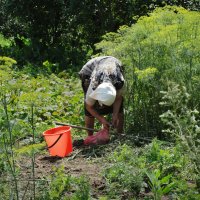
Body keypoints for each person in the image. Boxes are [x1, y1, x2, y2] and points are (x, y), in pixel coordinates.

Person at [79, 56, 125, 136]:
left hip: (112, 63)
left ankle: (119, 136)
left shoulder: (119, 82)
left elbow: (118, 99)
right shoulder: (94, 85)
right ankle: (90, 137)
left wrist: (115, 115)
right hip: (89, 70)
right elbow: (88, 106)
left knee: (119, 111)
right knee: (91, 110)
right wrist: (101, 119)